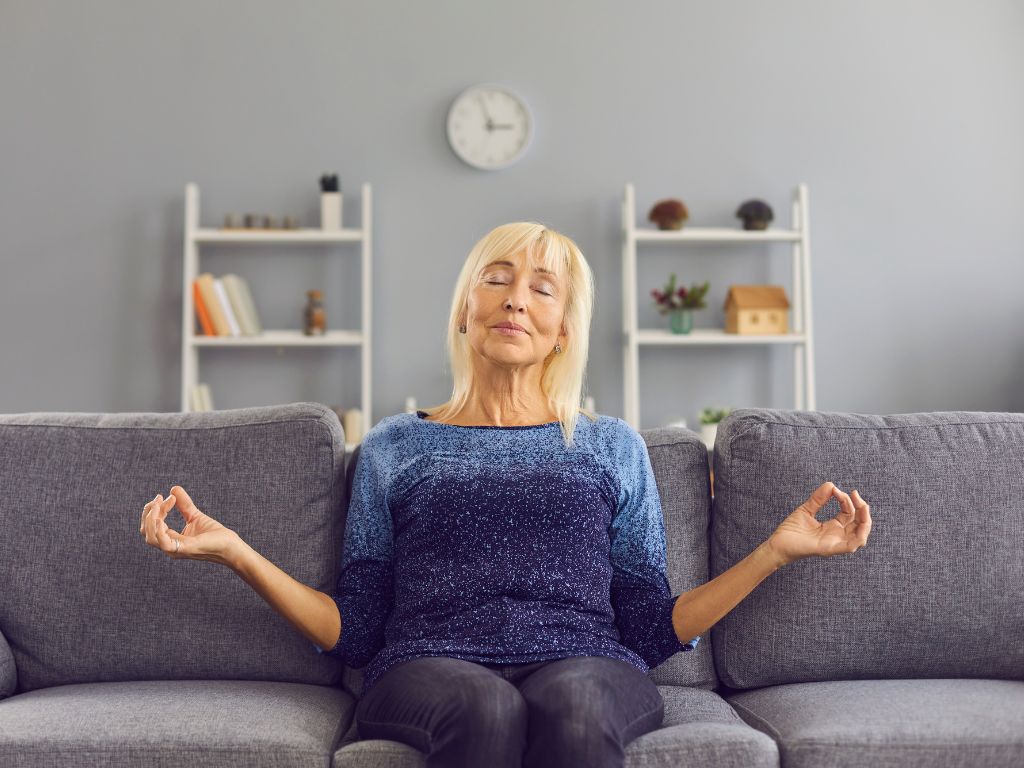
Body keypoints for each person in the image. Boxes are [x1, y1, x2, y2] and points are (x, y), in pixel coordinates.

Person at [139, 222, 872, 768]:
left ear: (561, 330)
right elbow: (356, 629)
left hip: (589, 660)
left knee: (575, 707)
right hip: (426, 663)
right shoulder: (397, 445)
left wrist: (776, 552)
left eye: (541, 288)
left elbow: (649, 628)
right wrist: (235, 551)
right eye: (496, 279)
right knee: (482, 707)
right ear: (464, 309)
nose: (516, 300)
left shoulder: (612, 445)